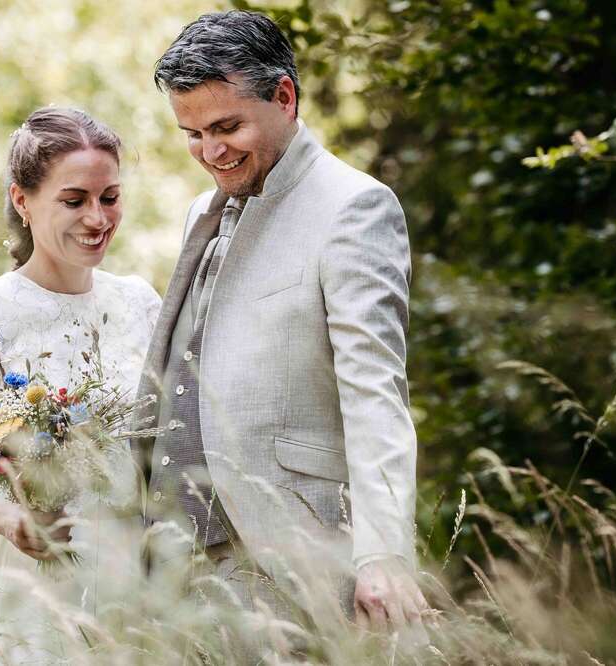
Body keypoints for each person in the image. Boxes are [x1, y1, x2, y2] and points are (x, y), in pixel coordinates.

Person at [134, 9, 428, 644]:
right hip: (176, 560)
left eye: (227, 126)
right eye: (191, 134)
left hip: (292, 549)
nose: (210, 153)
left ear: (285, 96)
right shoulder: (198, 211)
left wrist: (382, 553)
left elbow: (375, 391)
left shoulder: (353, 208)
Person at [0, 106, 161, 665]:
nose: (97, 218)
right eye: (74, 201)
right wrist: (10, 519)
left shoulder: (141, 303)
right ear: (22, 201)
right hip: (50, 593)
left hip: (153, 586)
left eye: (110, 197)